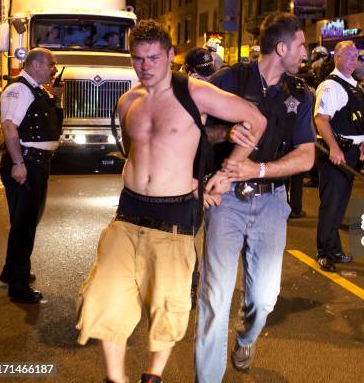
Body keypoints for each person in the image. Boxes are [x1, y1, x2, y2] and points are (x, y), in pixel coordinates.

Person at [76, 20, 266, 383]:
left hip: (174, 215)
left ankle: (153, 375)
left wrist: (226, 172)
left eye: (152, 58)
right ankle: (116, 379)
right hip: (128, 211)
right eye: (138, 58)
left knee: (168, 306)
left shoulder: (195, 92)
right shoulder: (127, 100)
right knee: (104, 296)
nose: (145, 66)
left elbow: (255, 119)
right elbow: (138, 152)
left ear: (168, 56)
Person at [195, 12, 314, 382]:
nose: (306, 52)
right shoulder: (229, 79)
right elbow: (193, 125)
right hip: (226, 200)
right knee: (214, 298)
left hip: (271, 203)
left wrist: (257, 170)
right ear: (282, 47)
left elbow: (307, 155)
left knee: (264, 299)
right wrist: (224, 133)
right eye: (302, 44)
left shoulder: (301, 94)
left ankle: (247, 336)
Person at [0, 48, 62, 304]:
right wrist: (18, 162)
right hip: (26, 162)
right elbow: (9, 126)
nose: (54, 70)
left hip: (35, 163)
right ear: (35, 64)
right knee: (24, 225)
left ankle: (11, 270)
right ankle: (19, 285)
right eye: (51, 65)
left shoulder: (35, 89)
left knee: (25, 222)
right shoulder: (19, 89)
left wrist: (52, 98)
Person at [314, 40, 364, 272]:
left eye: (355, 55)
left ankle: (334, 248)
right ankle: (324, 251)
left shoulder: (353, 84)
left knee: (340, 205)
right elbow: (321, 119)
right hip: (336, 152)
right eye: (347, 55)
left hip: (351, 151)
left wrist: (363, 142)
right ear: (336, 57)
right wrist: (335, 148)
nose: (352, 59)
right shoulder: (331, 85)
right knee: (331, 204)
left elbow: (355, 119)